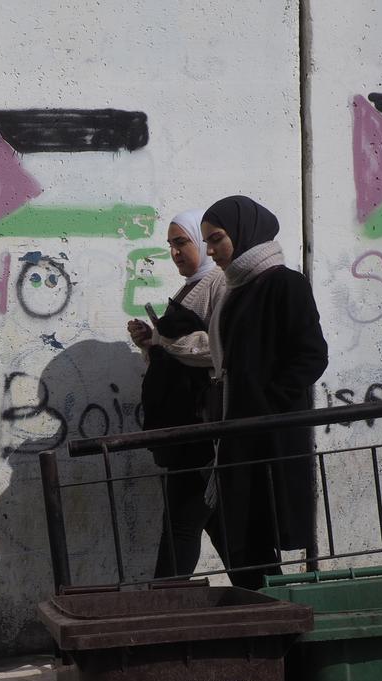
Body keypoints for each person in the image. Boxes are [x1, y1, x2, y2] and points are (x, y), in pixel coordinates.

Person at [199, 195, 328, 588]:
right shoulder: (235, 289)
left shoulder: (284, 283)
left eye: (217, 238)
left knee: (255, 535)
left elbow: (311, 355)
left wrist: (266, 402)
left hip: (267, 437)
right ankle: (266, 617)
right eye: (207, 241)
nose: (211, 250)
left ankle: (275, 622)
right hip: (238, 434)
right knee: (243, 537)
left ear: (243, 233)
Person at [126, 210, 228, 578]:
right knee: (219, 526)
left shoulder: (218, 284)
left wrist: (167, 340)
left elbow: (218, 349)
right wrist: (151, 342)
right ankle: (270, 597)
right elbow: (179, 350)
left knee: (181, 527)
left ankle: (161, 613)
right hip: (186, 426)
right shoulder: (191, 287)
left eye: (182, 242)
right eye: (171, 245)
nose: (175, 252)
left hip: (200, 428)